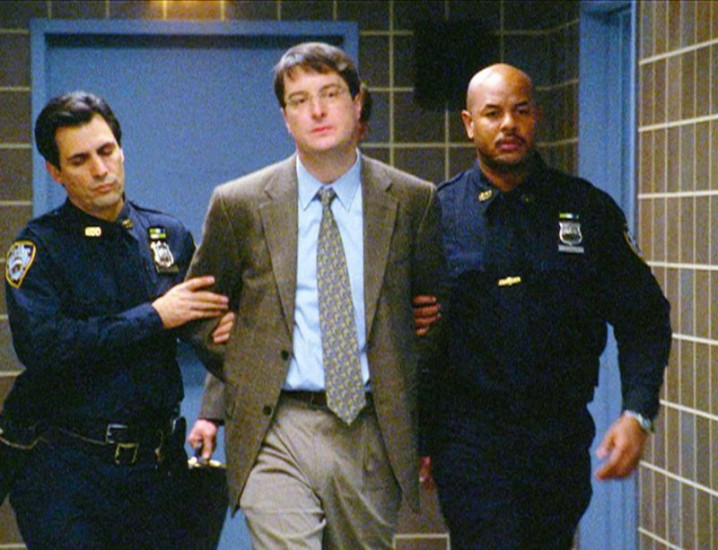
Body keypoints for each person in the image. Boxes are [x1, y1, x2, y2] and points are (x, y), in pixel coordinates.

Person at [184, 42, 445, 549]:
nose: (317, 111)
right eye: (299, 101)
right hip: (275, 422)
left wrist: (405, 349)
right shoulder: (240, 203)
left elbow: (434, 313)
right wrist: (241, 355)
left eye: (330, 94)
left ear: (357, 102)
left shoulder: (411, 200)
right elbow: (198, 307)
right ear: (285, 118)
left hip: (368, 426)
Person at [418, 63, 672, 549]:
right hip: (470, 439)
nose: (508, 124)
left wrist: (637, 413)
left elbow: (644, 317)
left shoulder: (587, 210)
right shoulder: (439, 215)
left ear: (536, 116)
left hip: (557, 438)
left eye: (520, 111)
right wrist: (422, 436)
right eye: (492, 113)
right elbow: (419, 337)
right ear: (470, 124)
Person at [0, 91, 230, 549]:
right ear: (55, 171)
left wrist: (226, 336)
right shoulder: (39, 248)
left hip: (157, 471)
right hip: (69, 473)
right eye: (80, 160)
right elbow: (43, 346)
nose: (100, 169)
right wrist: (154, 317)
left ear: (121, 150)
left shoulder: (167, 236)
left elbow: (206, 322)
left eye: (106, 151)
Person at [187, 81, 375, 462]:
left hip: (366, 418)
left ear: (361, 123)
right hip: (281, 414)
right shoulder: (268, 208)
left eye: (335, 103)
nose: (321, 115)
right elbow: (239, 313)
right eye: (303, 103)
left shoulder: (393, 206)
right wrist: (211, 411)